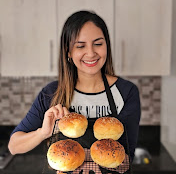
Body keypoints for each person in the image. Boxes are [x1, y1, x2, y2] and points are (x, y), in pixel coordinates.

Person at [8, 10, 141, 172]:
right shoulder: (52, 93)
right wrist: (43, 132)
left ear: (107, 46)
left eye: (98, 44)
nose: (91, 53)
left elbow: (128, 154)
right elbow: (14, 146)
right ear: (68, 51)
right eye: (80, 46)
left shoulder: (126, 92)